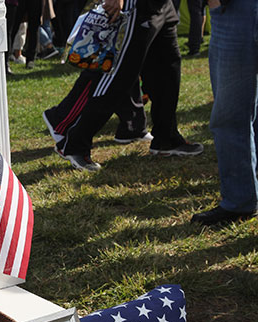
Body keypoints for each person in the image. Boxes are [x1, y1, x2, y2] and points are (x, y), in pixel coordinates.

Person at [43, 0, 203, 172]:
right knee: (118, 76)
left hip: (162, 5)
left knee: (168, 69)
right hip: (135, 6)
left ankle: (166, 138)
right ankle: (74, 145)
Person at [191, 0, 258, 225]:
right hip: (233, 10)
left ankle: (239, 200)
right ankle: (239, 200)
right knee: (230, 113)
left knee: (230, 114)